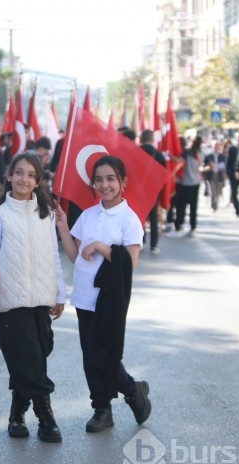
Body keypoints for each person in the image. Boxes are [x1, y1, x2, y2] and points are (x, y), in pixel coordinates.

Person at [55, 155, 152, 433]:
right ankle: (107, 406)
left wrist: (100, 245)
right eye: (99, 179)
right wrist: (63, 227)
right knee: (90, 354)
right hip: (85, 295)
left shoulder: (129, 219)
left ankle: (123, 395)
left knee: (106, 354)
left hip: (111, 297)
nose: (104, 185)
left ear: (123, 182)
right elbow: (75, 256)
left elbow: (129, 264)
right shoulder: (87, 215)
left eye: (111, 179)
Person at [0, 153, 65, 442]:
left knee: (37, 355)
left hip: (42, 299)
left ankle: (16, 413)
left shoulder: (45, 213)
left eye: (31, 174)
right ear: (9, 176)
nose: (25, 179)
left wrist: (59, 292)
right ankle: (45, 415)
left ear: (38, 181)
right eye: (19, 172)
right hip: (10, 301)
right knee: (28, 358)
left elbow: (54, 255)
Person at [139, 129, 166, 253]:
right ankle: (154, 245)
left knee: (140, 217)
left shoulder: (135, 151)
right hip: (154, 190)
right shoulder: (159, 155)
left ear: (141, 139)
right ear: (152, 139)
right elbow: (164, 175)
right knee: (153, 217)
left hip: (138, 190)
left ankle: (140, 240)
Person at [175, 135, 207, 236]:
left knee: (181, 205)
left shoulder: (187, 152)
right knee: (194, 206)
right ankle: (193, 227)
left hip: (186, 182)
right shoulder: (201, 153)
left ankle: (179, 224)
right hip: (196, 182)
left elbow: (179, 161)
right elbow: (207, 165)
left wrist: (170, 156)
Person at [225, 132, 239, 217]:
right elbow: (228, 161)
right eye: (238, 137)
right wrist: (227, 173)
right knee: (234, 192)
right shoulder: (232, 148)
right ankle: (238, 209)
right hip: (233, 173)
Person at [203, 139, 226, 213]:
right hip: (211, 175)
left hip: (219, 175)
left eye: (217, 145)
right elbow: (204, 164)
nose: (216, 146)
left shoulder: (222, 155)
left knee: (218, 191)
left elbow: (224, 164)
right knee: (212, 190)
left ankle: (216, 203)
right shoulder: (208, 155)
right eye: (215, 145)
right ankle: (213, 205)